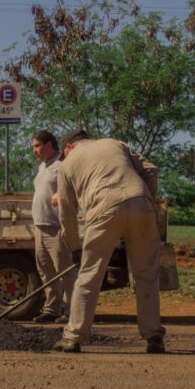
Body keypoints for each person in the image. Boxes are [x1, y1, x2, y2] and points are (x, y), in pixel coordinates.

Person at [54, 129, 166, 354]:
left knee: (89, 277)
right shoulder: (115, 143)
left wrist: (74, 247)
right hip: (141, 202)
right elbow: (151, 171)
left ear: (68, 147)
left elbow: (65, 211)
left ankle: (73, 337)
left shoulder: (67, 164)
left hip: (103, 208)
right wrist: (147, 203)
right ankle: (153, 337)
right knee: (146, 276)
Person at [31, 129, 75, 324]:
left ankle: (71, 311)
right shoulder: (42, 167)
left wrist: (61, 194)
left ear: (49, 145)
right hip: (39, 226)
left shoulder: (62, 165)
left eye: (37, 146)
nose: (34, 150)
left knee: (64, 270)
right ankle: (52, 309)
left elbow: (73, 189)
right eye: (33, 146)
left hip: (55, 227)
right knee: (46, 271)